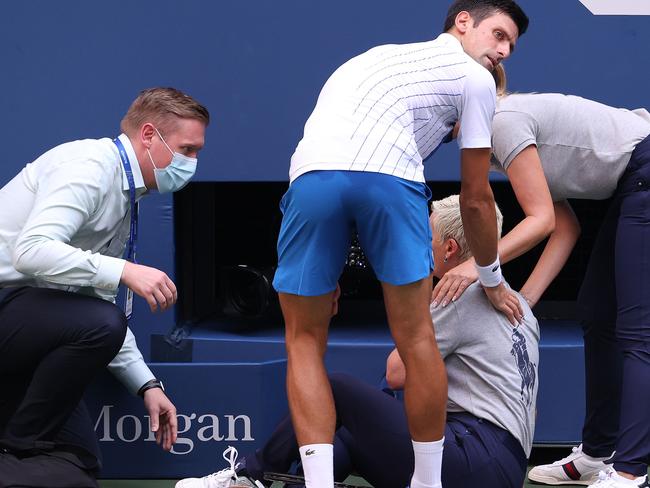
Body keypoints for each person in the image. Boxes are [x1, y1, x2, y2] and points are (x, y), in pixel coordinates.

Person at [270, 2, 529, 487]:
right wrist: (490, 278)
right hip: (390, 184)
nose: (502, 51)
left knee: (303, 341)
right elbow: (475, 200)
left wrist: (326, 263)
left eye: (511, 45)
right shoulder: (475, 81)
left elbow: (338, 166)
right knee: (415, 338)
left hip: (309, 182)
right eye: (499, 35)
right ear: (463, 22)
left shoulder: (369, 59)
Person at [176, 194, 539, 488]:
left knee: (335, 388)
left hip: (473, 457)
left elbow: (397, 373)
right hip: (501, 466)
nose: (417, 244)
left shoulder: (457, 294)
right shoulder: (517, 301)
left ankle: (249, 475)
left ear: (448, 250)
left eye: (423, 236)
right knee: (347, 434)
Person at [432, 87, 650, 487]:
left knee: (637, 331)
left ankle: (629, 470)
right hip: (632, 182)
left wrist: (475, 268)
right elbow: (566, 226)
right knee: (598, 314)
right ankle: (598, 453)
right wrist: (523, 304)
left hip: (645, 169)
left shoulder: (503, 122)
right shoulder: (498, 141)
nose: (443, 127)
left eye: (445, 117)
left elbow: (542, 222)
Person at [0, 87, 209, 487]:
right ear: (149, 135)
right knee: (104, 321)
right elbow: (30, 251)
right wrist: (124, 270)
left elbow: (89, 303)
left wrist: (146, 384)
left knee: (79, 465)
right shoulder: (90, 168)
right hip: (8, 309)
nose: (192, 163)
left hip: (23, 330)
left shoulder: (126, 191)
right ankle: (16, 444)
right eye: (187, 149)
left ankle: (19, 449)